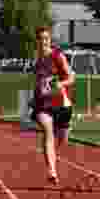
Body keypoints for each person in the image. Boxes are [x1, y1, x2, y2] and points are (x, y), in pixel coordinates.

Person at [31, 26, 75, 184]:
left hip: (61, 103)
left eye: (46, 38)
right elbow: (39, 81)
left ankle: (52, 153)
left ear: (50, 40)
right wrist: (37, 92)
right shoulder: (36, 59)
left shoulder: (57, 56)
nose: (44, 41)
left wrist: (60, 84)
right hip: (43, 104)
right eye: (41, 38)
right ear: (36, 41)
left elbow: (71, 78)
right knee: (47, 130)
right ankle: (52, 170)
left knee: (63, 139)